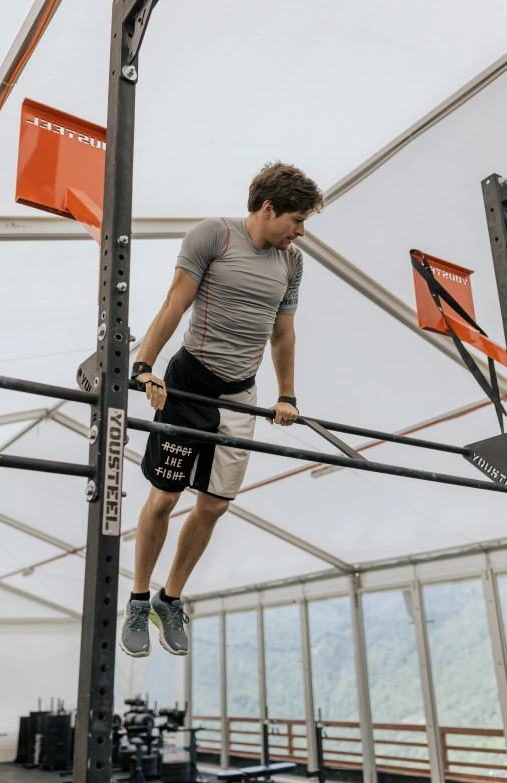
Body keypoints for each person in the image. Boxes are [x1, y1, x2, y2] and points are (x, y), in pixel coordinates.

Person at [120, 162, 323, 658]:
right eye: (296, 219)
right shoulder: (214, 236)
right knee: (165, 499)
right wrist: (145, 365)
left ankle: (170, 600)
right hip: (189, 384)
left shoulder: (292, 263)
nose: (301, 231)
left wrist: (287, 396)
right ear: (268, 208)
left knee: (213, 506)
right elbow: (175, 304)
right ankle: (137, 599)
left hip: (240, 395)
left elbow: (282, 332)